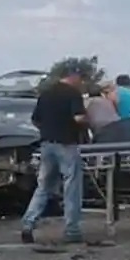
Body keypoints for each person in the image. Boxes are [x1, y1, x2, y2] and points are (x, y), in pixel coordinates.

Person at [21, 67, 86, 244]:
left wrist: (47, 129)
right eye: (80, 78)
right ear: (73, 77)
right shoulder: (73, 94)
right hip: (67, 143)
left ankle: (28, 223)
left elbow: (35, 119)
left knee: (44, 186)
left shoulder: (46, 94)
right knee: (71, 185)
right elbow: (79, 118)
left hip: (47, 143)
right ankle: (72, 229)